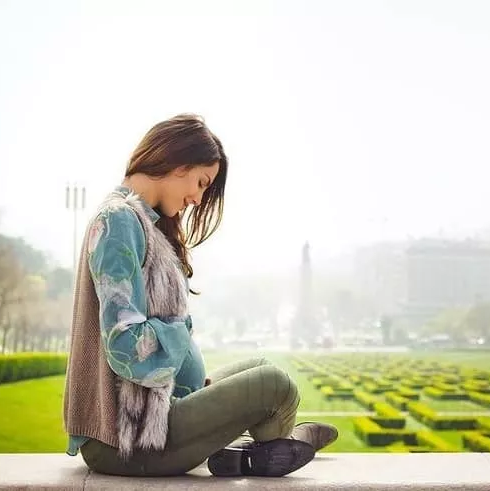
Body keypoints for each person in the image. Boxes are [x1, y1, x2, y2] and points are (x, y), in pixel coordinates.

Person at [62, 113, 337, 478]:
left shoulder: (138, 220)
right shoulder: (119, 220)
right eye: (201, 182)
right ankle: (274, 444)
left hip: (155, 414)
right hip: (132, 439)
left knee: (259, 368)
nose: (197, 198)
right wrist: (179, 330)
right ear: (178, 161)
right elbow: (125, 346)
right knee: (275, 386)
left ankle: (253, 451)